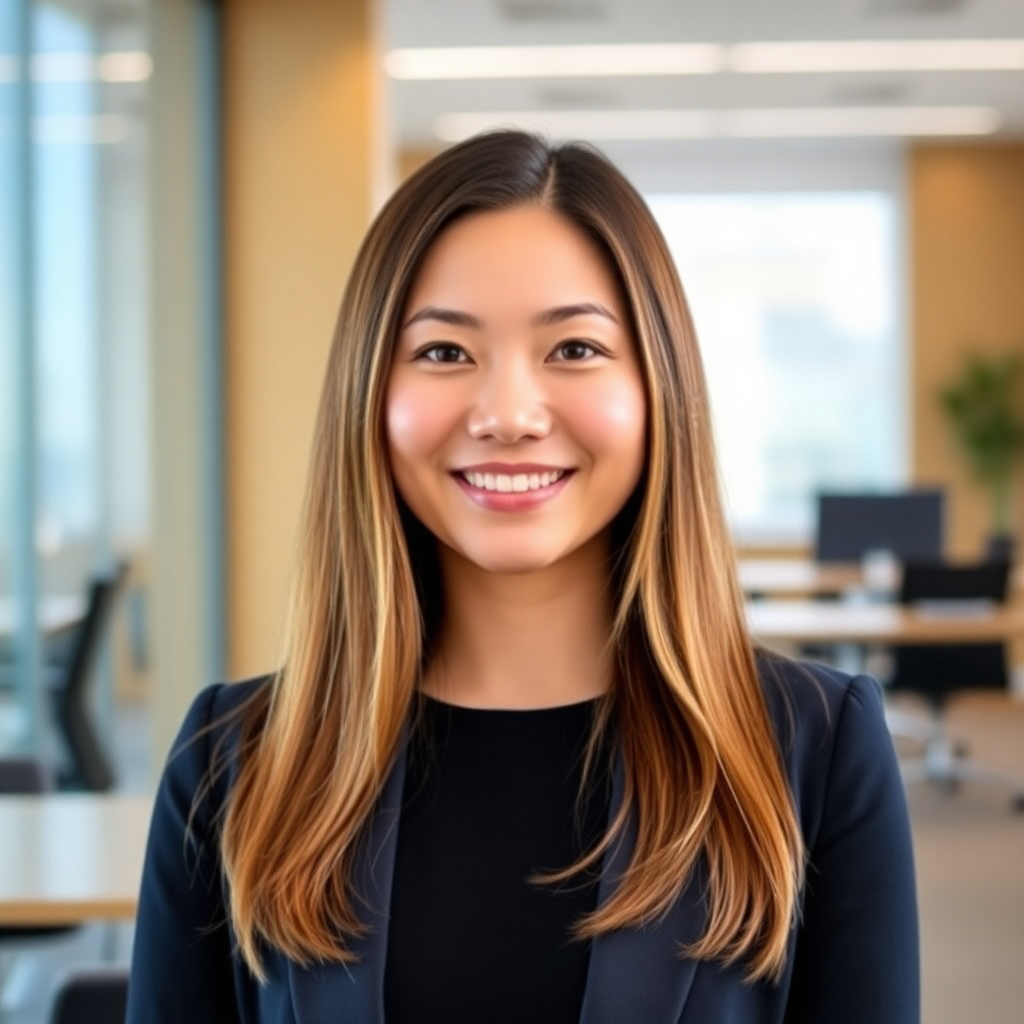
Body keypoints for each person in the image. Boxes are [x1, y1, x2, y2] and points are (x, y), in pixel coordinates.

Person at [127, 130, 919, 1023]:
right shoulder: (232, 764)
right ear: (368, 394)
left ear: (659, 388)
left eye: (574, 349)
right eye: (444, 353)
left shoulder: (814, 751)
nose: (508, 414)